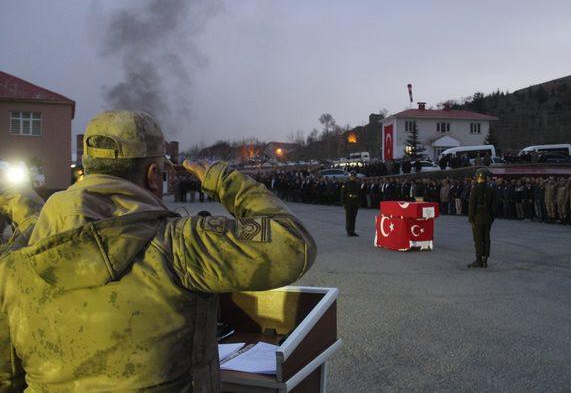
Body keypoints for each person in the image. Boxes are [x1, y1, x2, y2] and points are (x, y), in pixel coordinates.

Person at [0, 110, 316, 392]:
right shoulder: (179, 245)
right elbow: (293, 244)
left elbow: (7, 377)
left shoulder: (18, 258)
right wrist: (223, 179)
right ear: (154, 175)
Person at [468, 169, 497, 269]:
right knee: (486, 238)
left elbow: (472, 205)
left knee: (478, 239)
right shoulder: (491, 188)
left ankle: (478, 260)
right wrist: (492, 217)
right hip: (488, 217)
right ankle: (485, 260)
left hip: (477, 218)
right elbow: (494, 205)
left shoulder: (475, 188)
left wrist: (471, 218)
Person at [341, 171, 361, 236]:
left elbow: (360, 194)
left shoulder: (358, 183)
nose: (353, 177)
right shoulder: (346, 183)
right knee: (349, 217)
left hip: (355, 201)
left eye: (354, 176)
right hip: (348, 201)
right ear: (350, 176)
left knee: (353, 217)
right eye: (352, 176)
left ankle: (352, 231)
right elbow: (343, 193)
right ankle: (348, 231)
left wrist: (359, 203)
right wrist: (343, 203)